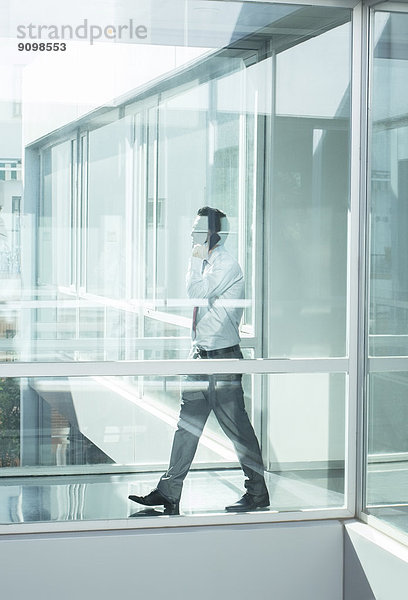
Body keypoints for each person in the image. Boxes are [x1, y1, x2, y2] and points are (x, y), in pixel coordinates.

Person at [129, 207, 269, 514]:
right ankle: (169, 491)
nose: (192, 235)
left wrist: (193, 261)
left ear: (212, 233)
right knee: (186, 426)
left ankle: (257, 493)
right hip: (200, 357)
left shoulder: (225, 265)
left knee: (238, 430)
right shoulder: (207, 264)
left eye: (198, 229)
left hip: (222, 361)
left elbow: (195, 294)